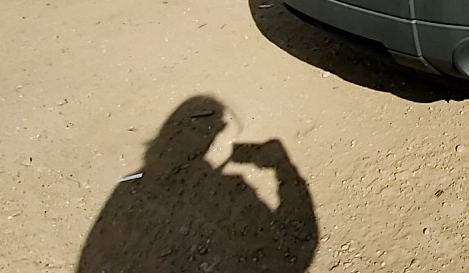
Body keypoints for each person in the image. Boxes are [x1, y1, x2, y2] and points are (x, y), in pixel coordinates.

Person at [76, 96, 317, 273]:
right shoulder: (232, 191)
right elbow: (297, 252)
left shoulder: (127, 191)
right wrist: (284, 169)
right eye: (216, 126)